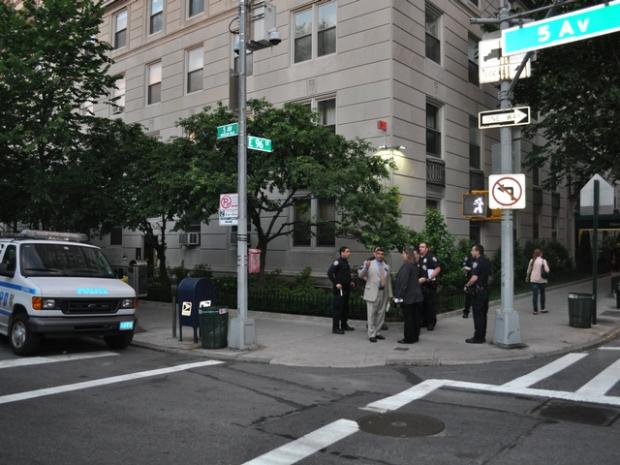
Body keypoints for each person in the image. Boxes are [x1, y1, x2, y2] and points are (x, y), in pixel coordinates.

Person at [359, 247, 393, 343]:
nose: (380, 256)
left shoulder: (387, 266)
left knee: (381, 314)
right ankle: (371, 334)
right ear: (375, 254)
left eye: (382, 254)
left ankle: (377, 332)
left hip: (383, 293)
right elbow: (360, 275)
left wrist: (390, 295)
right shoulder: (369, 263)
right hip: (372, 292)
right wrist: (366, 267)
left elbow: (388, 281)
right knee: (371, 315)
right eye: (379, 254)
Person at [393, 246, 424, 344]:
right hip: (417, 297)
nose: (402, 255)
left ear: (407, 255)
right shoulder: (414, 265)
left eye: (403, 253)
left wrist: (399, 296)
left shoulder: (406, 266)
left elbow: (403, 283)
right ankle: (415, 337)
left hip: (408, 297)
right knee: (415, 318)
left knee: (409, 319)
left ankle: (409, 338)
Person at [464, 243, 491, 344]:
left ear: (477, 251)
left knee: (478, 315)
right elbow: (490, 277)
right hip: (485, 291)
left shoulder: (477, 262)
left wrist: (467, 285)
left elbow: (474, 277)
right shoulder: (486, 261)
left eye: (472, 250)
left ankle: (478, 337)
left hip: (478, 292)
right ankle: (482, 336)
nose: (471, 252)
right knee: (483, 315)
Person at [327, 246, 356, 334]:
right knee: (338, 309)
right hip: (339, 290)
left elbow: (346, 274)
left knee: (345, 308)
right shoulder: (337, 262)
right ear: (342, 253)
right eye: (347, 251)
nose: (349, 253)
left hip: (347, 288)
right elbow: (330, 273)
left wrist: (351, 281)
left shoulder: (346, 262)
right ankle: (336, 328)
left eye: (349, 251)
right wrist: (336, 283)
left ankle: (344, 325)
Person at [418, 241, 441, 330]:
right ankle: (424, 321)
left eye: (423, 247)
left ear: (427, 248)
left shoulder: (431, 257)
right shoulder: (420, 258)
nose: (420, 248)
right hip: (422, 285)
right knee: (423, 304)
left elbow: (438, 268)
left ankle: (431, 323)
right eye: (420, 247)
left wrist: (430, 278)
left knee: (430, 305)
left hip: (430, 285)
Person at [526, 248, 550, 314]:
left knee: (535, 295)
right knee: (542, 295)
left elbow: (528, 270)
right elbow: (547, 270)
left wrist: (527, 277)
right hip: (542, 280)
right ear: (540, 254)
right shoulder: (543, 260)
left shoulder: (532, 260)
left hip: (534, 280)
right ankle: (543, 309)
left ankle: (535, 310)